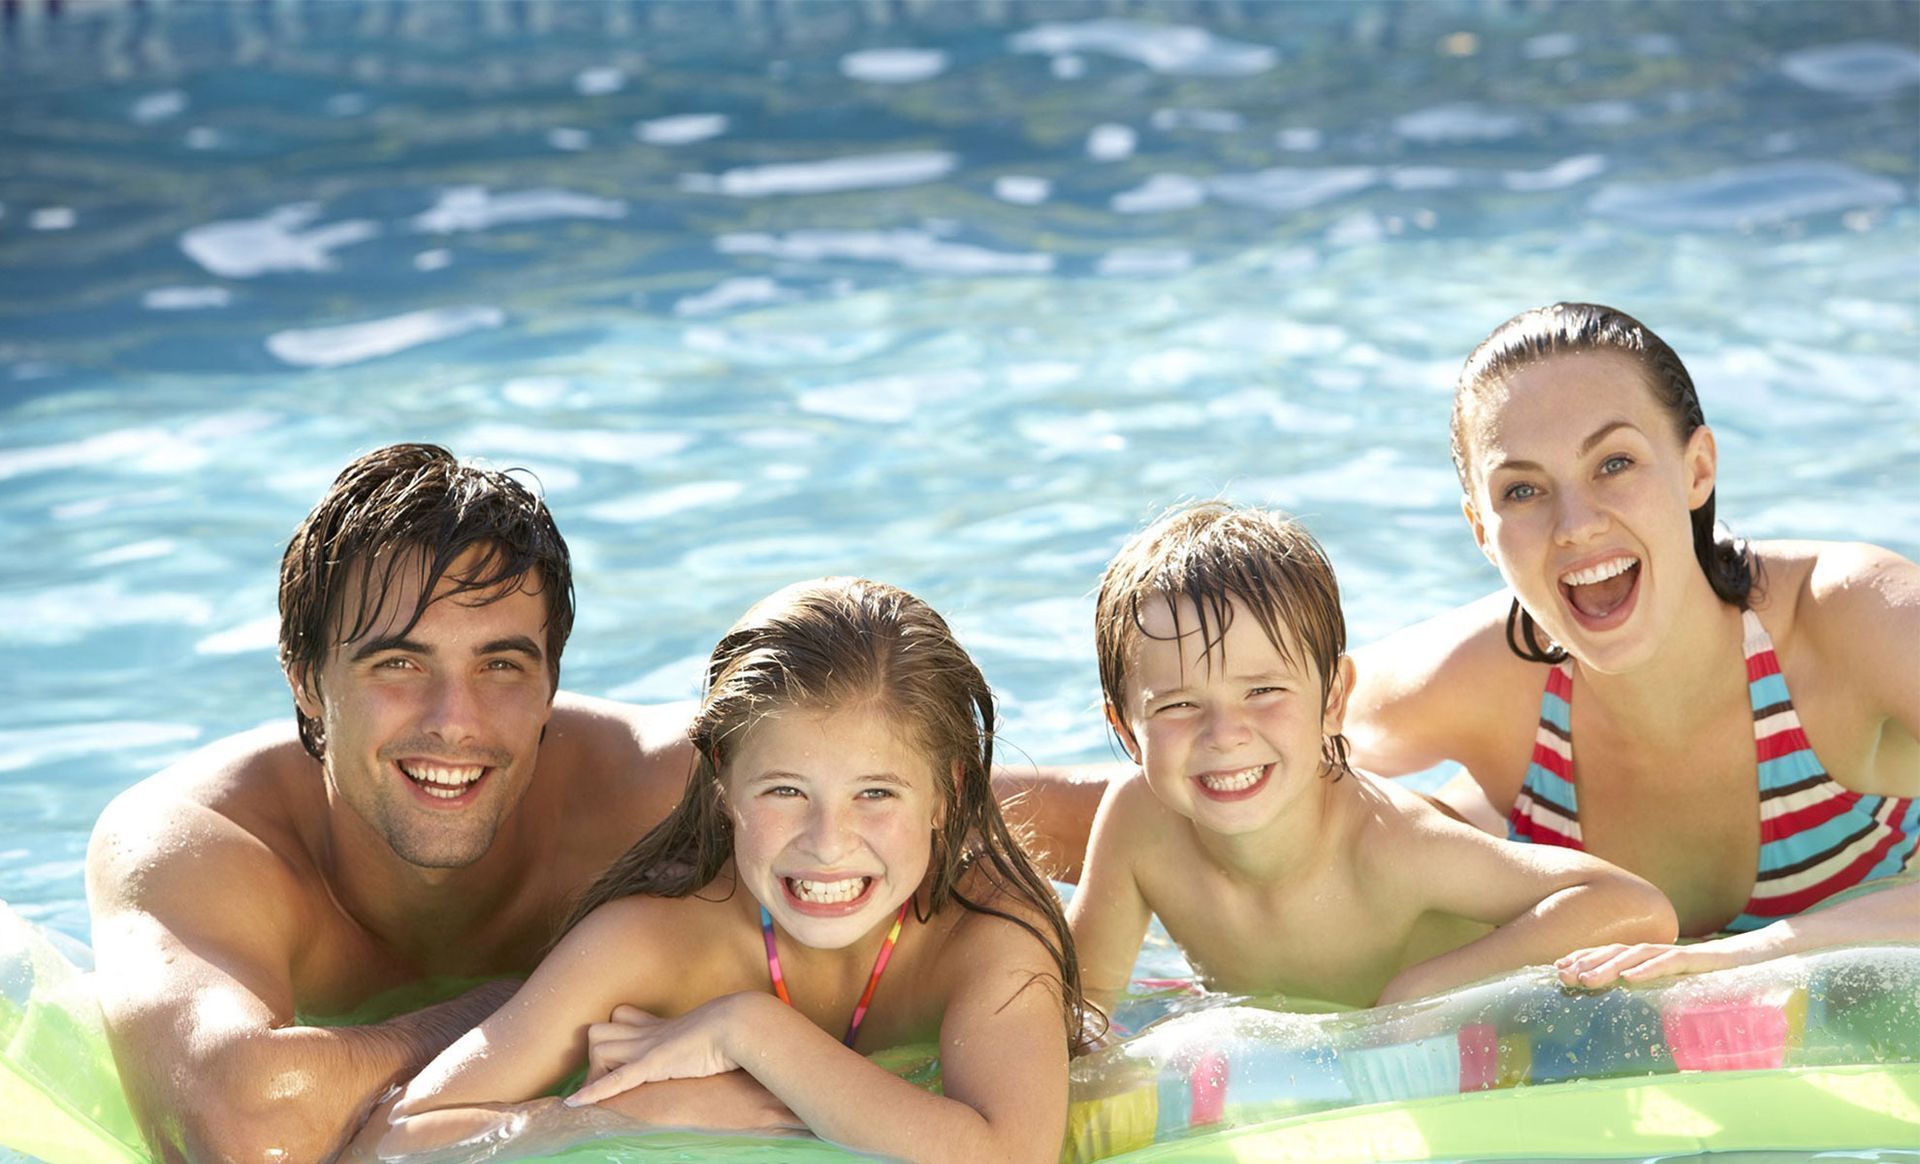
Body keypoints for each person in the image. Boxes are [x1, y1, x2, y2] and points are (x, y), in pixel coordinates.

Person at [83, 444, 702, 1163]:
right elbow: (248, 1134)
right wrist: (556, 1000)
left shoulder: (672, 798)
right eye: (399, 664)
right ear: (307, 680)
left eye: (500, 665)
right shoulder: (201, 838)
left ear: (550, 686)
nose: (454, 721)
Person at [366, 577, 1086, 1164]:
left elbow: (1012, 1155)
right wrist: (617, 1118)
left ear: (949, 793)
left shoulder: (986, 935)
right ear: (723, 783)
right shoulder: (655, 943)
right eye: (785, 791)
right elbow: (394, 1143)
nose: (828, 843)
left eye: (876, 794)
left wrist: (751, 1033)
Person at [1345, 302, 1920, 986]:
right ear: (1480, 529)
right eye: (1522, 489)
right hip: (1522, 819)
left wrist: (1738, 961)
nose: (1576, 525)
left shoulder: (1847, 617)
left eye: (1614, 462)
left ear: (1698, 468)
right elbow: (1259, 725)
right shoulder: (1479, 681)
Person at [1068, 501, 1675, 1012]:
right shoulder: (1138, 823)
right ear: (1124, 727)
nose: (1224, 734)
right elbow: (1087, 1001)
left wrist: (1420, 992)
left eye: (1263, 691)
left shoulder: (1392, 845)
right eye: (1178, 705)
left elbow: (1632, 906)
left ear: (1333, 700)